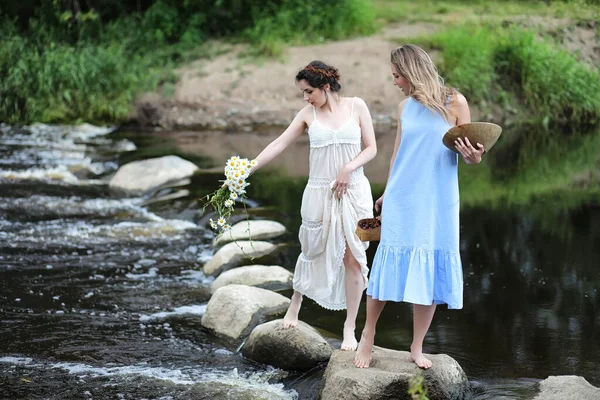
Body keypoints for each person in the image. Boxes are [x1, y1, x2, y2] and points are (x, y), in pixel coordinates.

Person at [353, 44, 484, 369]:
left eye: (397, 75)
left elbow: (474, 156)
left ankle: (416, 347)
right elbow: (398, 152)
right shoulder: (404, 107)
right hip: (403, 197)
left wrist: (473, 155)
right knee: (386, 266)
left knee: (430, 269)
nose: (395, 81)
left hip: (438, 199)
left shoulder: (455, 102)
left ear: (412, 72)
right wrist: (386, 191)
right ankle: (367, 334)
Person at [250, 61, 377, 350]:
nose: (305, 97)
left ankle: (349, 328)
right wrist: (247, 169)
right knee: (310, 248)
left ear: (326, 87)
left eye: (309, 91)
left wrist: (348, 168)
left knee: (356, 258)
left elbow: (372, 148)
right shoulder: (307, 114)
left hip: (357, 192)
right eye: (303, 93)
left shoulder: (358, 106)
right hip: (319, 193)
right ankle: (295, 305)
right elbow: (279, 144)